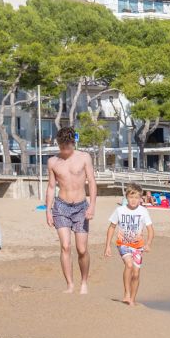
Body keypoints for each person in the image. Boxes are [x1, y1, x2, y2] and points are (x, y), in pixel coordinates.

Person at [46, 126, 97, 294]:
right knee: (65, 246)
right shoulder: (53, 161)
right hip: (61, 206)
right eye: (61, 147)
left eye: (67, 147)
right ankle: (70, 284)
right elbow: (51, 187)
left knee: (82, 249)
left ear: (72, 143)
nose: (64, 150)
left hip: (81, 207)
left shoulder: (84, 157)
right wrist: (48, 210)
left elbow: (92, 182)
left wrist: (92, 205)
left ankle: (84, 282)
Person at [104, 183, 154, 306]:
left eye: (136, 198)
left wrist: (148, 244)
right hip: (123, 243)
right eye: (131, 197)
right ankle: (126, 293)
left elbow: (150, 229)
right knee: (129, 265)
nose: (133, 200)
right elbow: (111, 227)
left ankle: (132, 299)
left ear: (140, 199)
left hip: (138, 246)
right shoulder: (120, 210)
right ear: (126, 197)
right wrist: (108, 246)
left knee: (136, 274)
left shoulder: (143, 211)